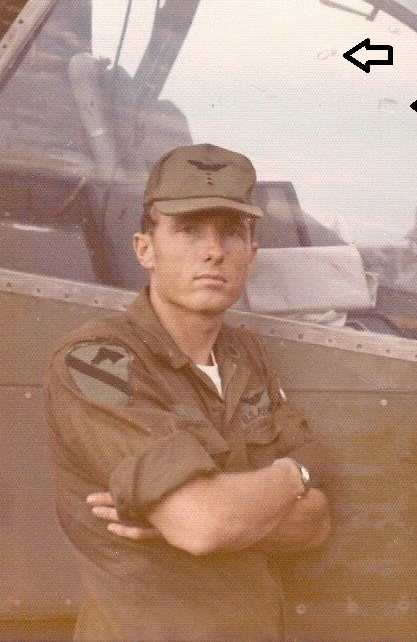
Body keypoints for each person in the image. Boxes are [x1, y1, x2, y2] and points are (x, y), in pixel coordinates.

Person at [44, 144, 331, 641]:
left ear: (252, 254)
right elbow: (201, 524)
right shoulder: (96, 360)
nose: (213, 251)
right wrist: (292, 477)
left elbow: (316, 524)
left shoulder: (245, 355)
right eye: (189, 229)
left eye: (232, 232)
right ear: (145, 249)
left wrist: (219, 513)